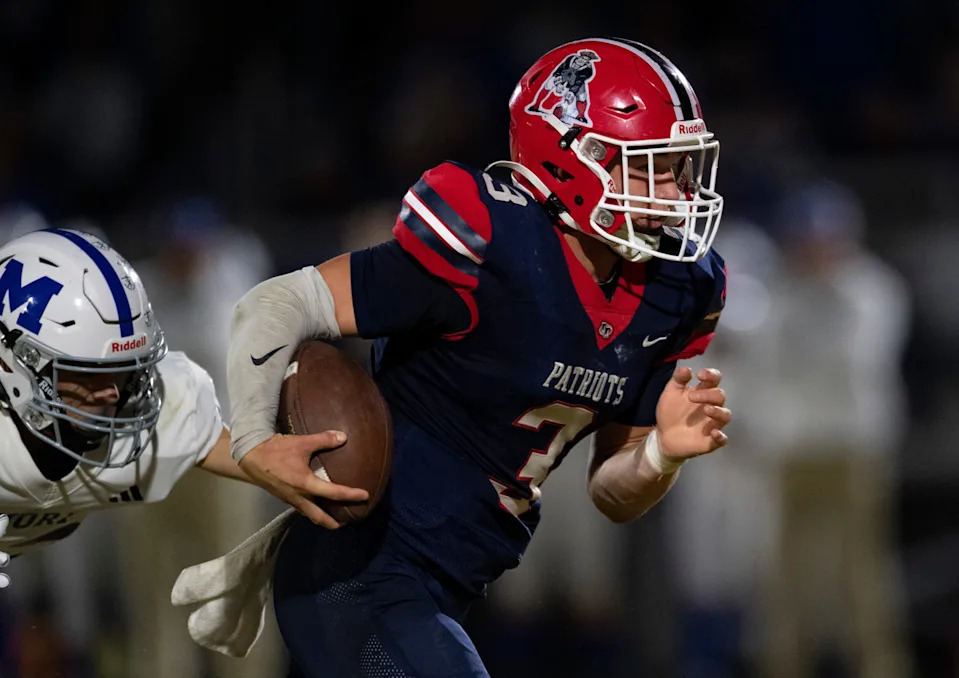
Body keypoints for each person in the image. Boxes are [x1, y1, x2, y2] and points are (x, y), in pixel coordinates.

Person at [226, 38, 731, 676]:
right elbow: (274, 305)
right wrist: (250, 439)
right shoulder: (489, 238)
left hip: (449, 584)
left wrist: (661, 454)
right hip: (359, 571)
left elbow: (611, 493)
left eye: (680, 166)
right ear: (574, 158)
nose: (677, 191)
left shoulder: (675, 289)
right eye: (648, 166)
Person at [0, 228, 248, 578]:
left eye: (120, 373)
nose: (112, 394)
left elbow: (268, 461)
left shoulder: (168, 404)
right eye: (86, 373)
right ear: (11, 363)